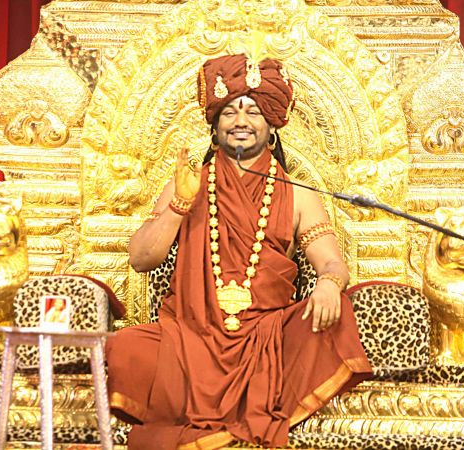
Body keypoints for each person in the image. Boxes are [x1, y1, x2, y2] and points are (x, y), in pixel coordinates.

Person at [106, 53, 371, 449]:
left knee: (335, 318)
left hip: (268, 339)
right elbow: (141, 259)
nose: (241, 121)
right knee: (125, 347)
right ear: (215, 128)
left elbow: (332, 261)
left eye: (253, 112)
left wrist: (330, 284)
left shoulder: (298, 194)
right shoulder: (186, 184)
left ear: (272, 126)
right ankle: (233, 421)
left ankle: (226, 420)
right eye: (229, 112)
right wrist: (179, 205)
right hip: (190, 338)